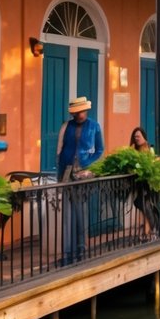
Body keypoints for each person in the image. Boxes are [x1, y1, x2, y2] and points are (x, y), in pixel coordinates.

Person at [56, 96, 105, 265]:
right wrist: (60, 175)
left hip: (84, 173)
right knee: (67, 214)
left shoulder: (94, 126)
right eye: (78, 111)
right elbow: (60, 150)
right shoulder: (66, 126)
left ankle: (81, 249)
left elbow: (100, 150)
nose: (80, 114)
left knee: (80, 212)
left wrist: (88, 165)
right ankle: (68, 252)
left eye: (82, 111)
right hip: (67, 172)